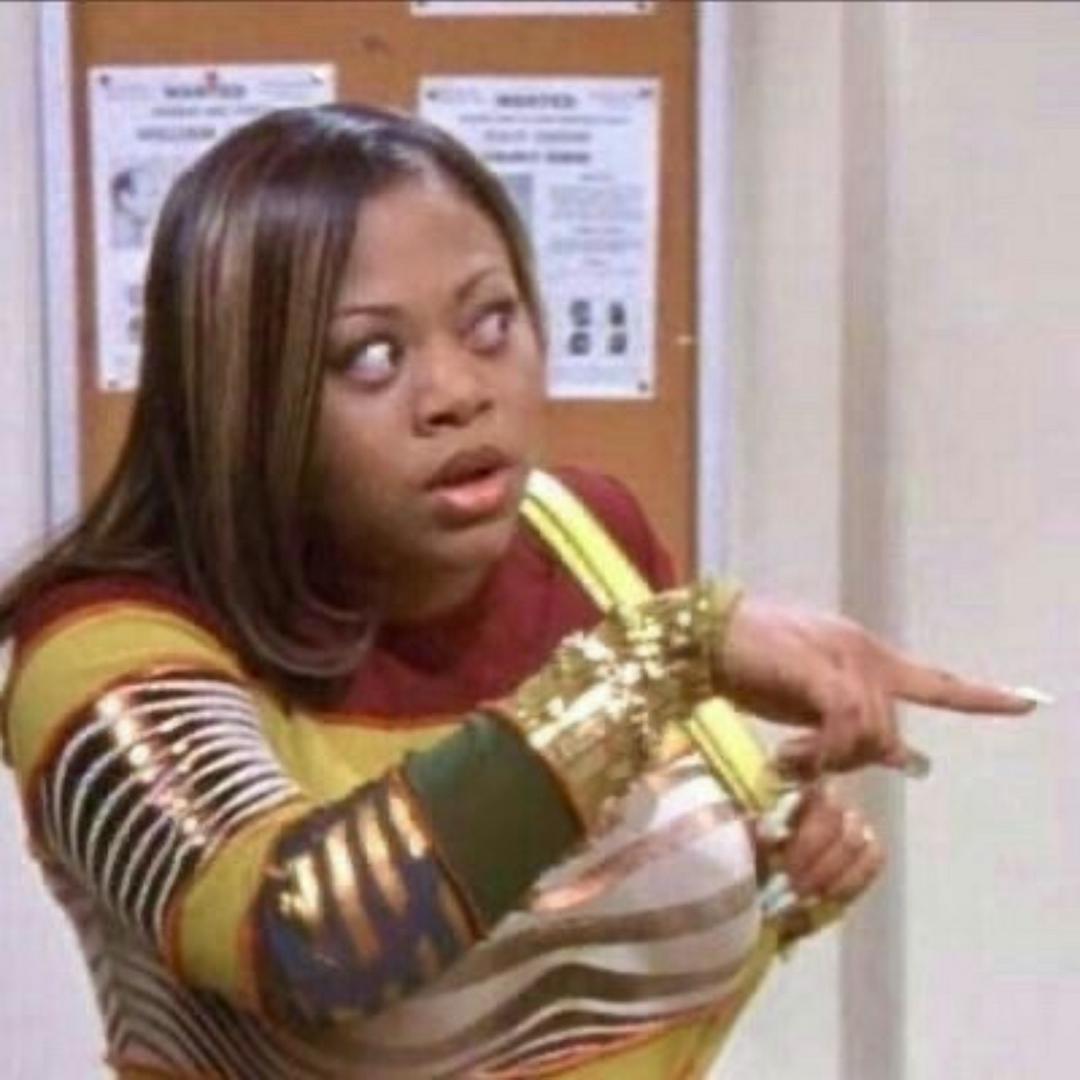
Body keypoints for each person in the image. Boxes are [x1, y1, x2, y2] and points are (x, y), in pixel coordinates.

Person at [0, 105, 1034, 1080]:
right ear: (242, 393)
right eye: (371, 357)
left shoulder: (584, 536)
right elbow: (309, 944)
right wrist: (663, 657)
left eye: (491, 322)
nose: (458, 392)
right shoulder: (101, 645)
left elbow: (562, 974)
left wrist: (772, 883)